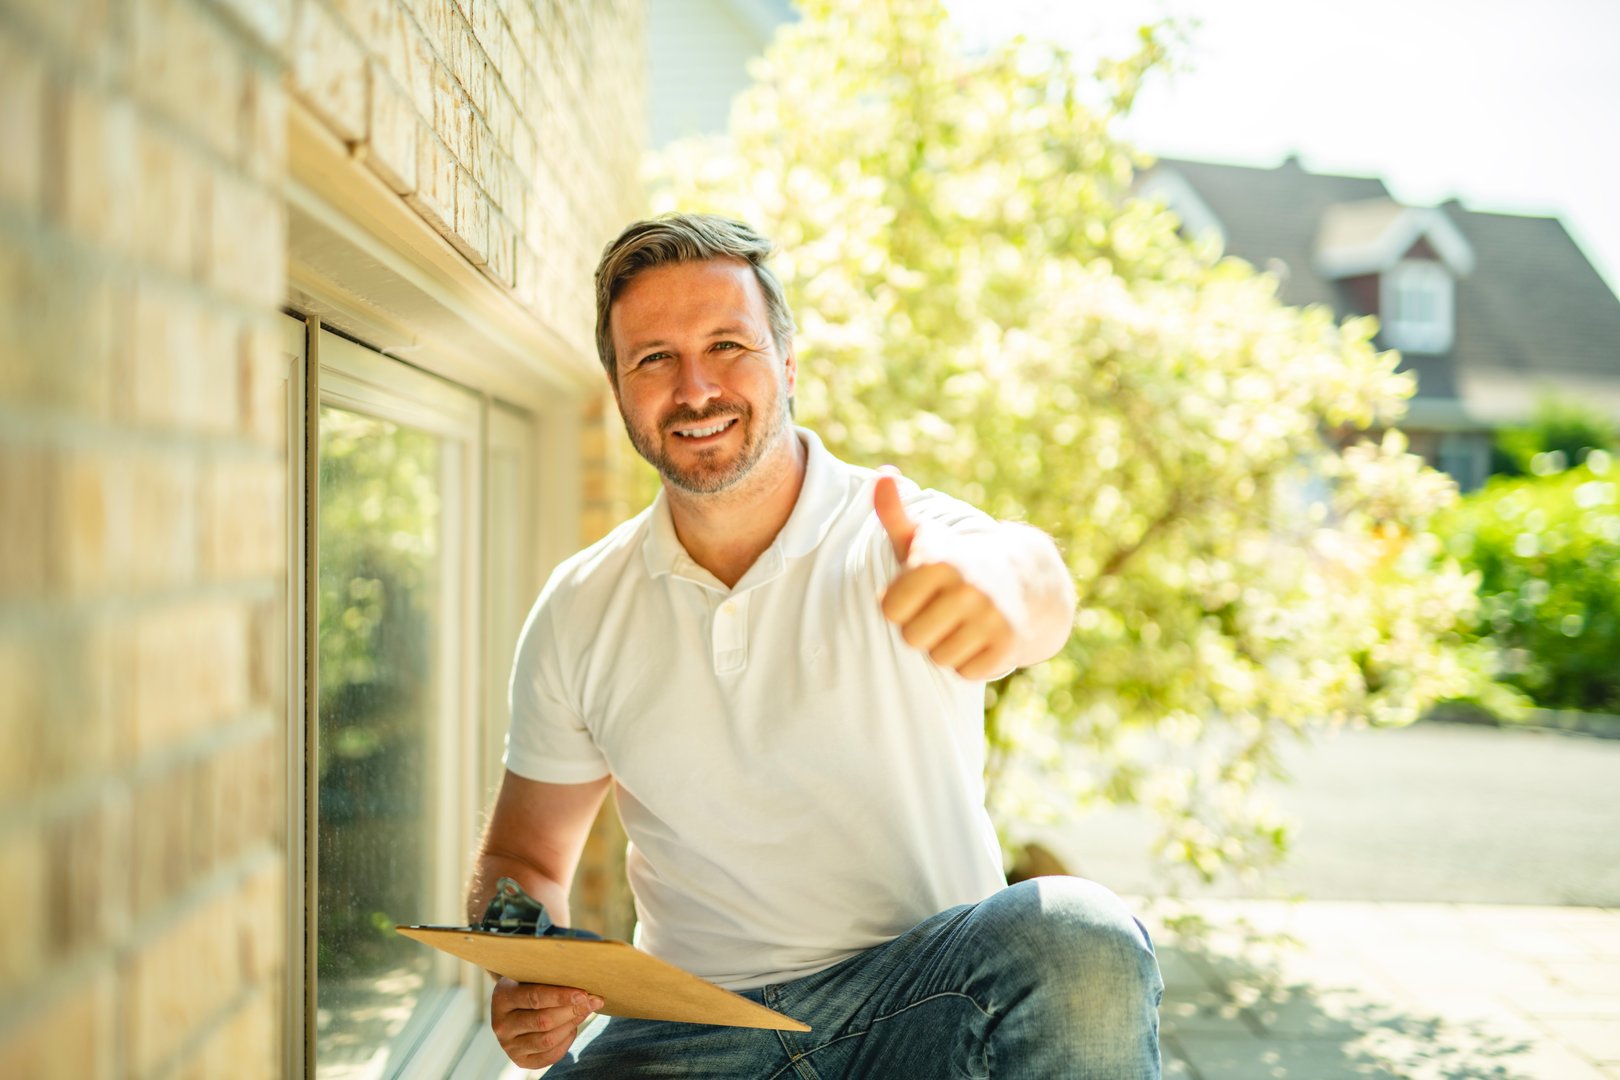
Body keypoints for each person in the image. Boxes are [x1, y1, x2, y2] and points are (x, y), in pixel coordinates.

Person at [466, 213, 1163, 1078]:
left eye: (728, 345)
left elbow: (1031, 578)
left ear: (786, 364)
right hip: (690, 1031)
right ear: (619, 390)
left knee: (1076, 937)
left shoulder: (900, 534)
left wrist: (1006, 592)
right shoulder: (579, 607)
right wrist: (523, 958)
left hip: (919, 1011)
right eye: (654, 358)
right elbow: (524, 858)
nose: (694, 388)